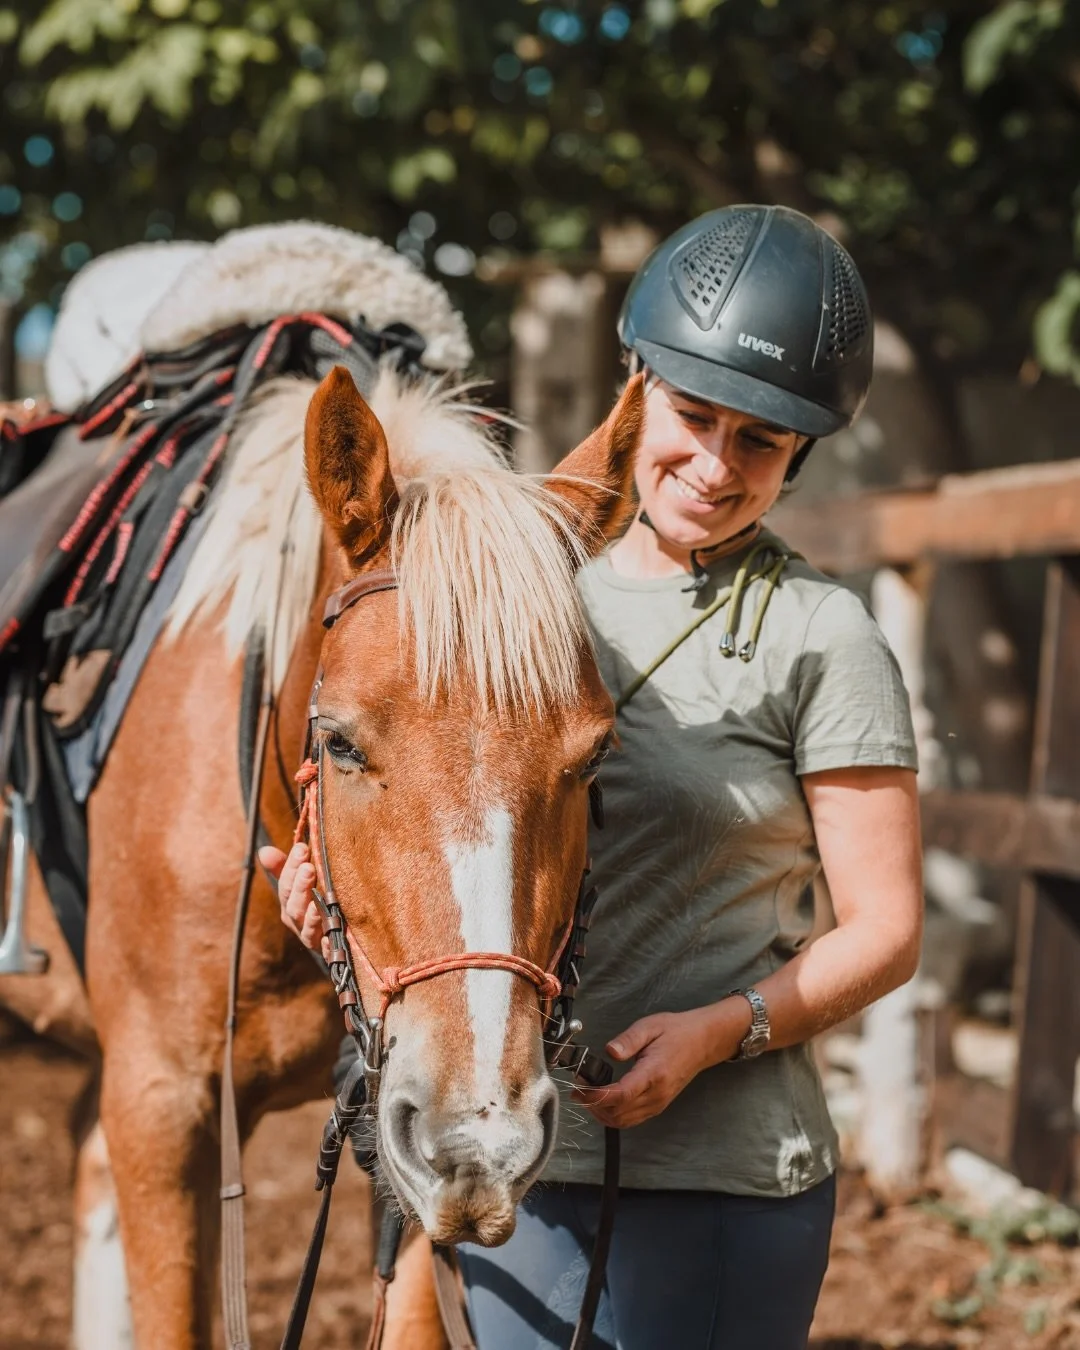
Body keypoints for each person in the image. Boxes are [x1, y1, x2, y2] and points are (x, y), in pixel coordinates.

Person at [262, 205, 923, 1350]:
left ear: (799, 456)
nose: (715, 466)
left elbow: (889, 930)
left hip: (719, 1177)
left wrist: (722, 1029)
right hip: (519, 1149)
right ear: (635, 395)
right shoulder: (518, 579)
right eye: (693, 415)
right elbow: (446, 809)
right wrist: (328, 893)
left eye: (759, 441)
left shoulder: (823, 635)